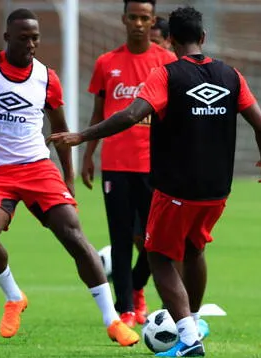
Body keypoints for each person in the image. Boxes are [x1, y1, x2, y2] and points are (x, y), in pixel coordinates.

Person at [48, 6, 261, 357]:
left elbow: (130, 114)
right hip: (217, 191)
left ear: (169, 39)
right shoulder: (231, 75)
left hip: (176, 189)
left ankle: (188, 339)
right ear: (202, 38)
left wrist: (81, 137)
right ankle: (194, 322)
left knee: (159, 257)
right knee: (195, 249)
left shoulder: (167, 74)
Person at [0, 8, 139, 346]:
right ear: (7, 38)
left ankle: (112, 320)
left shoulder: (46, 77)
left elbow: (60, 131)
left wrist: (68, 179)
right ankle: (14, 297)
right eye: (24, 37)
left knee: (73, 234)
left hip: (36, 168)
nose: (31, 44)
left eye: (35, 38)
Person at [84, 0, 177, 328]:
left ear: (152, 20)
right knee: (121, 239)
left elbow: (175, 115)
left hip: (156, 167)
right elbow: (99, 113)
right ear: (124, 19)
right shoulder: (107, 62)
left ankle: (141, 289)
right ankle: (125, 308)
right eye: (133, 17)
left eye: (144, 18)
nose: (138, 23)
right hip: (116, 164)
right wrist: (87, 154)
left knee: (158, 240)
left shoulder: (167, 61)